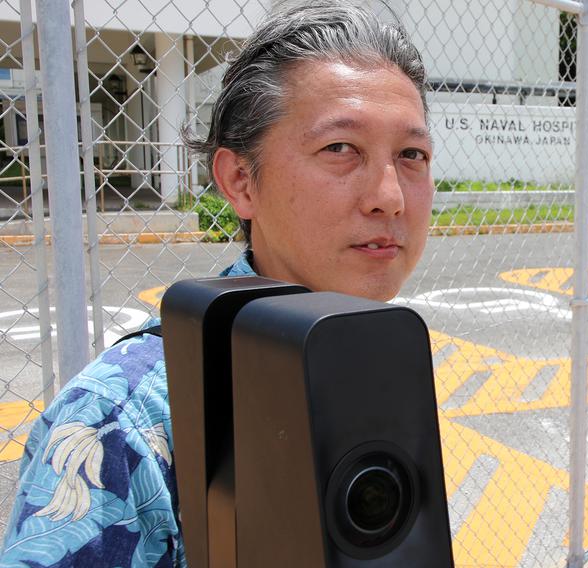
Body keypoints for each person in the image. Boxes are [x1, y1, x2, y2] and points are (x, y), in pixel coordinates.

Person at [0, 1, 433, 565]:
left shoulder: (374, 358)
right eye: (340, 149)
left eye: (412, 155)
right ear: (239, 180)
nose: (390, 196)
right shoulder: (123, 427)